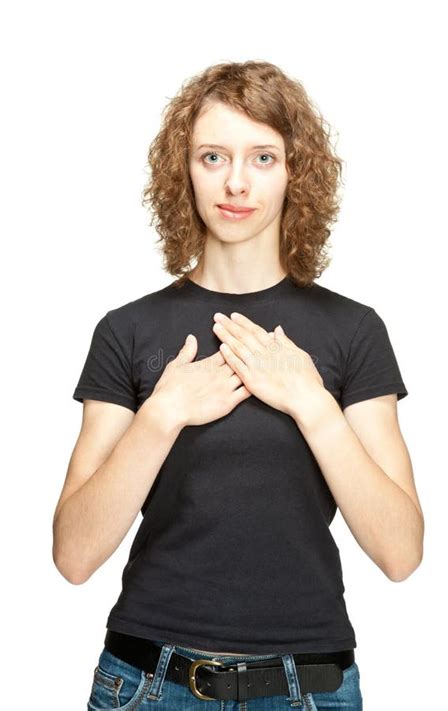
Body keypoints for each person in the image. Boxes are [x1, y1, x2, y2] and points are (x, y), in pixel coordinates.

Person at [52, 60, 424, 710]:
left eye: (262, 158)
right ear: (183, 170)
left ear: (295, 172)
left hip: (308, 687)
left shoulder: (352, 330)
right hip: (149, 683)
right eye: (213, 156)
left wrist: (312, 401)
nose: (235, 182)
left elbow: (401, 552)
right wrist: (162, 413)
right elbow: (74, 555)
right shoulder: (127, 330)